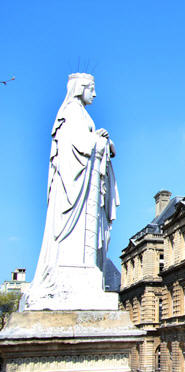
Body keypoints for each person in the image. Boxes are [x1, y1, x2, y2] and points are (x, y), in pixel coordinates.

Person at [20, 73, 119, 310]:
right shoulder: (72, 112)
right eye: (91, 89)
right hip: (73, 187)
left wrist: (102, 139)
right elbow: (76, 150)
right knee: (74, 239)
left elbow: (86, 144)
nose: (94, 94)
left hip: (83, 188)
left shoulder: (79, 113)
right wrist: (98, 141)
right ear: (79, 88)